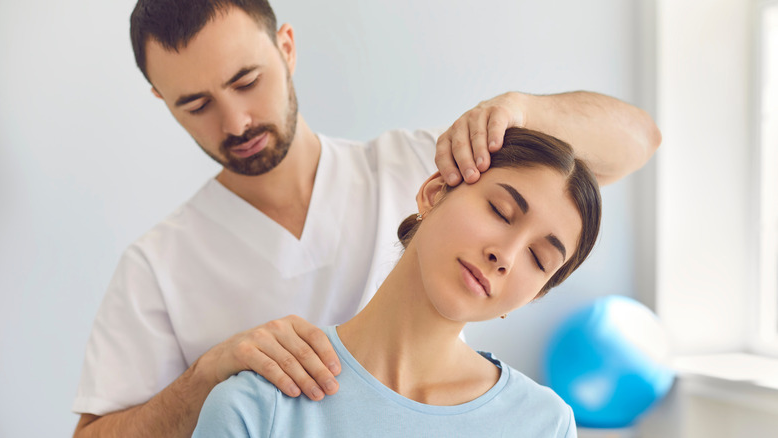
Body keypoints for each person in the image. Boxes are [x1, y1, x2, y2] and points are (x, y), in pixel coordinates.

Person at [72, 1, 661, 437]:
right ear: (160, 99)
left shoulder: (426, 163)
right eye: (195, 104)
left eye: (246, 81)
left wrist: (521, 109)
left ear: (287, 47)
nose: (236, 122)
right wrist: (209, 377)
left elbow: (633, 143)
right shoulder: (159, 268)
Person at [192, 127, 599, 437]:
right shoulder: (259, 406)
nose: (505, 256)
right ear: (435, 192)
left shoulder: (544, 424)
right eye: (500, 210)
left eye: (538, 259)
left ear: (535, 294)